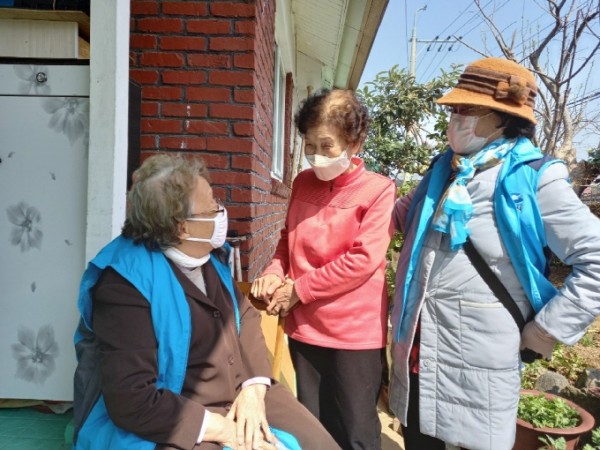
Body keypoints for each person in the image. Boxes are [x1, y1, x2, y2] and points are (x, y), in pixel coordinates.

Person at [389, 57, 600, 450]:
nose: (455, 117)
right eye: (453, 108)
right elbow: (399, 217)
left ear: (505, 119)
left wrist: (546, 330)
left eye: (467, 109)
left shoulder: (533, 178)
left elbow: (596, 260)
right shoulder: (444, 170)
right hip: (419, 357)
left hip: (479, 370)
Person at [72, 154, 341, 450]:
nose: (220, 211)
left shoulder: (207, 256)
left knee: (322, 445)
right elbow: (132, 399)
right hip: (175, 412)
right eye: (212, 206)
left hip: (240, 390)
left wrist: (254, 387)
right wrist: (225, 431)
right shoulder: (124, 285)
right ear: (181, 228)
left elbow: (245, 315)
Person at [251, 88, 396, 450]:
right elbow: (288, 240)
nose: (316, 156)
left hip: (353, 334)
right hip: (305, 328)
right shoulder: (302, 183)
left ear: (355, 142)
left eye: (327, 146)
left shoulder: (378, 190)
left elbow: (363, 260)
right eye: (309, 145)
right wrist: (273, 272)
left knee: (356, 432)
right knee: (312, 428)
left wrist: (299, 290)